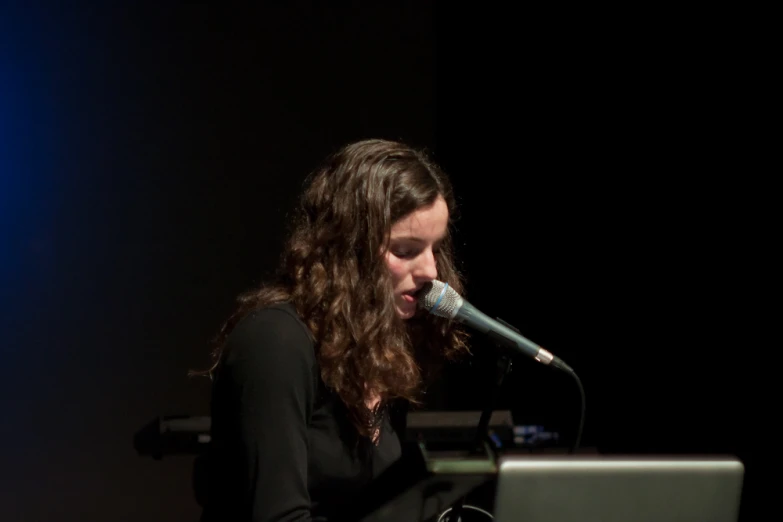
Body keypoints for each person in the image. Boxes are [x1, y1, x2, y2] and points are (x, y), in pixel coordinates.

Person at [196, 138, 469, 521]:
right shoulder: (276, 341)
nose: (430, 272)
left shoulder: (376, 354)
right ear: (349, 249)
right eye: (405, 250)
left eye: (434, 249)